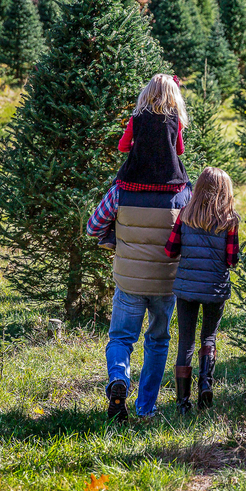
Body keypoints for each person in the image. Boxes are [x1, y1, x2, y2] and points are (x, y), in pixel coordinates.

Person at [86, 74, 192, 423]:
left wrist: (114, 237)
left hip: (129, 280)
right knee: (158, 342)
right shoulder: (182, 192)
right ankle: (147, 408)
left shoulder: (122, 189)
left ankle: (118, 380)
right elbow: (189, 234)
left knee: (121, 337)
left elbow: (93, 225)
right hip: (166, 282)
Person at [164, 167, 239, 414]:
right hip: (215, 288)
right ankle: (205, 383)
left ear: (198, 188)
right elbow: (231, 260)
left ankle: (182, 403)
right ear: (225, 192)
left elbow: (170, 250)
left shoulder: (185, 214)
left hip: (186, 287)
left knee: (185, 341)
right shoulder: (230, 220)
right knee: (209, 337)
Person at [96, 74, 189, 249]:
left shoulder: (137, 116)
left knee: (116, 187)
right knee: (188, 187)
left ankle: (110, 234)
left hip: (135, 179)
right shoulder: (175, 118)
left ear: (147, 92)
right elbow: (179, 151)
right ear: (173, 95)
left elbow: (123, 147)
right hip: (170, 181)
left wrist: (139, 146)